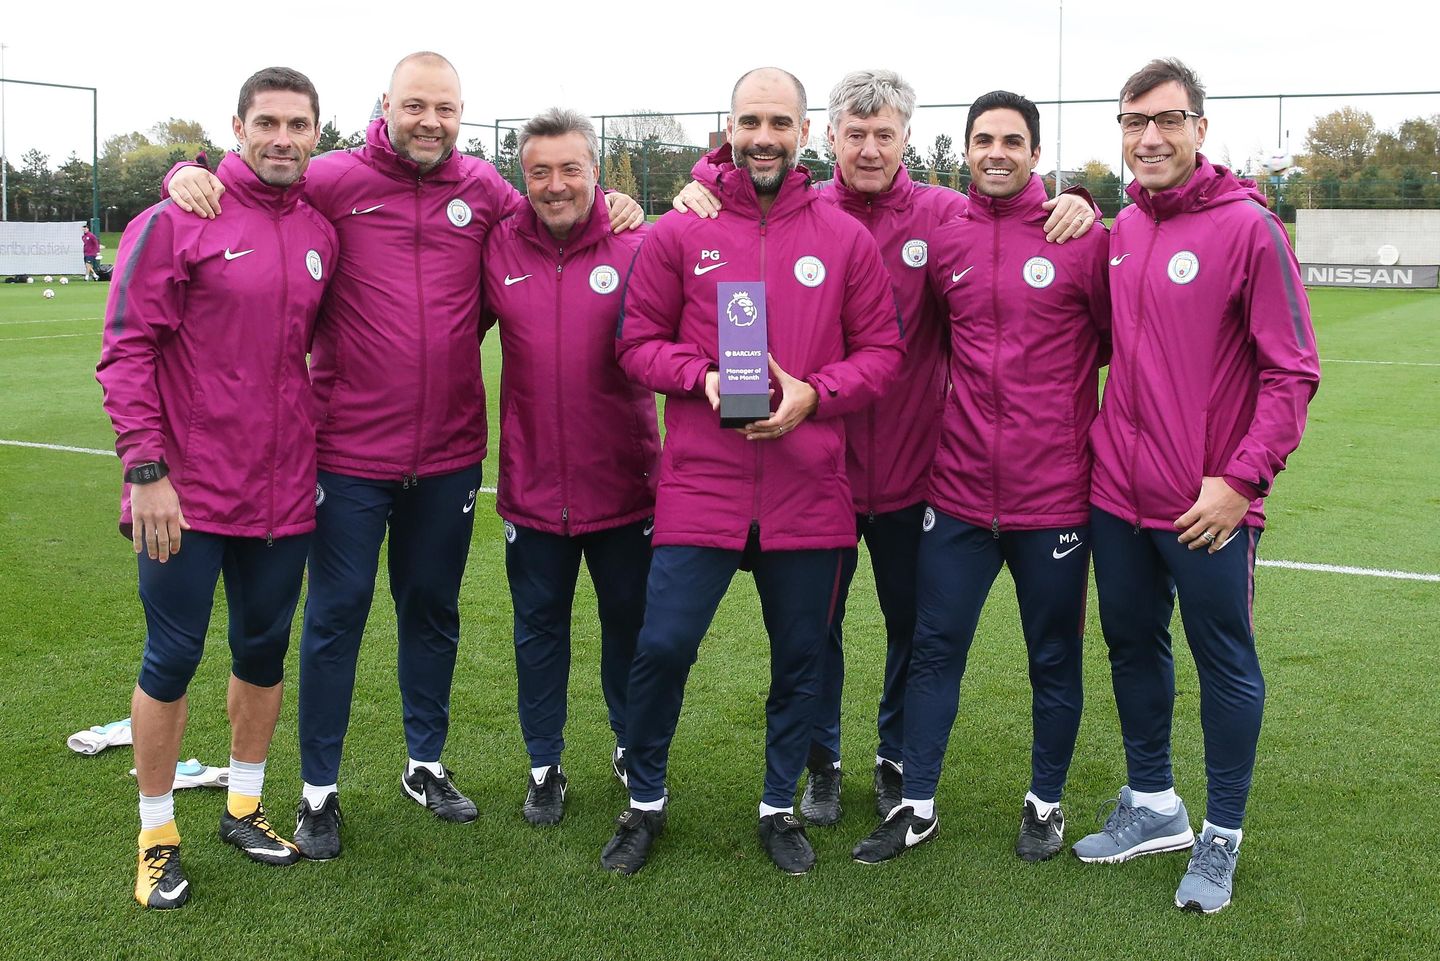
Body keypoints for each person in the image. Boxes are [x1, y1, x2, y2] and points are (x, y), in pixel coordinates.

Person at [163, 52, 642, 861]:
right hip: (347, 450)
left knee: (432, 612)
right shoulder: (334, 180)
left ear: (462, 114)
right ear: (385, 105)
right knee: (335, 617)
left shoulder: (486, 191)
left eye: (445, 108)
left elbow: (555, 210)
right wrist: (186, 169)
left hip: (451, 453)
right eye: (415, 105)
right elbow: (258, 180)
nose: (430, 120)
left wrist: (617, 201)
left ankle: (424, 763)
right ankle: (319, 790)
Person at [674, 71, 1097, 825]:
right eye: (855, 134)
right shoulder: (800, 211)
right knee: (816, 632)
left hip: (915, 477)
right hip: (815, 476)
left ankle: (896, 756)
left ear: (909, 139)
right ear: (829, 136)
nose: (870, 150)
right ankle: (823, 760)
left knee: (914, 629)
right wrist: (704, 176)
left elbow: (1006, 231)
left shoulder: (939, 216)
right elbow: (743, 187)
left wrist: (1079, 199)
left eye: (886, 135)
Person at [604, 67, 903, 877]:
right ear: (727, 127)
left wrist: (818, 393)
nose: (763, 135)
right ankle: (645, 803)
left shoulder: (844, 238)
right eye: (750, 120)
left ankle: (779, 809)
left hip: (809, 490)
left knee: (801, 655)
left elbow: (883, 354)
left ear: (805, 132)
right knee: (662, 645)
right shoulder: (678, 232)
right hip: (703, 484)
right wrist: (698, 376)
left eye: (779, 121)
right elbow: (635, 344)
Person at [1071, 59, 1320, 914]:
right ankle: (1154, 805)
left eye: (1168, 120)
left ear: (1200, 129)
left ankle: (1222, 832)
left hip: (1207, 506)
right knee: (1132, 647)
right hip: (1117, 497)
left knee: (1225, 664)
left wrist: (1240, 483)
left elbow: (1293, 374)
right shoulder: (1123, 231)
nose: (1149, 137)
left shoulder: (1251, 228)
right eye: (1134, 121)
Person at [97, 66, 337, 909]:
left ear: (317, 132)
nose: (282, 137)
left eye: (297, 124)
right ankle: (156, 834)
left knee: (264, 652)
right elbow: (126, 349)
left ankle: (242, 805)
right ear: (237, 128)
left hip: (282, 495)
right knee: (172, 656)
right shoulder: (178, 218)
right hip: (185, 494)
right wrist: (146, 470)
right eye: (266, 122)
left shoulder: (319, 228)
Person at [849, 90, 1109, 866]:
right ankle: (917, 804)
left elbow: (1119, 341)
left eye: (1013, 141)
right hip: (956, 492)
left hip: (1052, 495)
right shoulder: (941, 230)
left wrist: (1088, 204)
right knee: (933, 648)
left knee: (1053, 655)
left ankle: (1045, 802)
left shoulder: (1077, 237)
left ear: (1035, 152)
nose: (997, 152)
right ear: (964, 149)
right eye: (984, 139)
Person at [481, 107, 659, 825]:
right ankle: (544, 763)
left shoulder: (638, 244)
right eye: (539, 173)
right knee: (538, 631)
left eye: (571, 170)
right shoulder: (496, 246)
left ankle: (629, 744)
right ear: (523, 179)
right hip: (531, 490)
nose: (555, 186)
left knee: (631, 628)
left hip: (626, 488)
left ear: (598, 171)